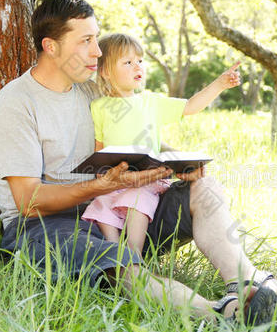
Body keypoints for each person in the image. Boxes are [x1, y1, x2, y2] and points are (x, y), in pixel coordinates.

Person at [0, 0, 277, 328]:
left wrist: (177, 163)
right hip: (47, 226)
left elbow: (140, 135)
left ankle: (252, 284)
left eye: (96, 39)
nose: (98, 52)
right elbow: (28, 201)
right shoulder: (16, 104)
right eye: (86, 41)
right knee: (118, 262)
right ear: (51, 46)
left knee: (204, 188)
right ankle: (223, 316)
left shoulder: (93, 90)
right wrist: (102, 185)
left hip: (117, 206)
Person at [80, 33, 241, 256]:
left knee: (136, 200)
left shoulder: (152, 102)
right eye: (128, 62)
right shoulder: (99, 107)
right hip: (116, 180)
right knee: (101, 206)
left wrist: (219, 84)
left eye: (140, 61)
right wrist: (100, 175)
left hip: (147, 180)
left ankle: (133, 256)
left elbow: (191, 106)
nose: (137, 66)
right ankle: (114, 255)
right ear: (106, 72)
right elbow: (100, 148)